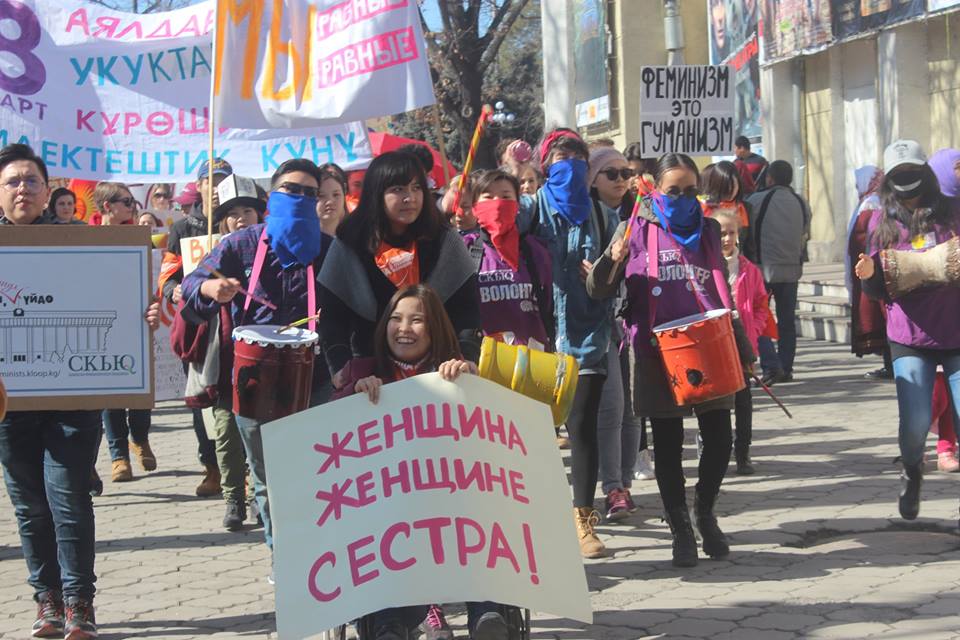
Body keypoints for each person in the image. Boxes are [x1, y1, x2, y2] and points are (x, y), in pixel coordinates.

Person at [0, 142, 160, 640]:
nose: (22, 188)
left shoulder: (85, 242)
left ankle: (79, 604)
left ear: (47, 191)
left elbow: (119, 302)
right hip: (8, 404)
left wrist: (144, 317)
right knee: (29, 507)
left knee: (68, 498)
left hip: (74, 398)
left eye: (31, 180)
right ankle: (45, 601)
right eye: (12, 181)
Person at [587, 153, 754, 568]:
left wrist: (744, 348)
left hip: (710, 345)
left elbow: (722, 292)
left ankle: (705, 512)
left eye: (690, 190)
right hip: (656, 350)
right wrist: (615, 259)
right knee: (667, 443)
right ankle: (680, 526)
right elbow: (598, 288)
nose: (682, 198)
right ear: (654, 189)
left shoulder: (710, 231)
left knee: (719, 437)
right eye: (673, 190)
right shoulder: (633, 229)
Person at [336, 285, 520, 640]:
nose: (404, 328)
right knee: (377, 535)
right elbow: (334, 439)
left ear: (435, 328)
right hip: (387, 512)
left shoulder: (456, 371)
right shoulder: (363, 372)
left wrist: (472, 383)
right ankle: (388, 623)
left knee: (473, 521)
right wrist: (354, 396)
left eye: (416, 320)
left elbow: (496, 435)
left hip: (453, 506)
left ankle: (486, 613)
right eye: (396, 319)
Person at [182, 159, 333, 568]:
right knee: (269, 480)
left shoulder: (330, 248)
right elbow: (191, 287)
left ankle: (322, 558)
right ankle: (286, 563)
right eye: (290, 189)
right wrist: (212, 287)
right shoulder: (239, 245)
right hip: (253, 382)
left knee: (319, 477)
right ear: (271, 196)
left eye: (308, 193)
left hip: (318, 380)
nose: (299, 198)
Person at [855, 139, 960, 523]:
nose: (909, 183)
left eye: (914, 174)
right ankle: (912, 471)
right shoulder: (882, 225)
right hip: (910, 335)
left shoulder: (953, 214)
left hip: (956, 329)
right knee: (914, 422)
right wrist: (869, 278)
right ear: (889, 181)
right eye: (901, 176)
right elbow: (875, 285)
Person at [319, 151, 482, 394]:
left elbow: (467, 311)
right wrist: (342, 370)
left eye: (416, 187)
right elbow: (332, 320)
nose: (410, 198)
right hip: (369, 381)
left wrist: (466, 356)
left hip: (439, 375)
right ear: (376, 194)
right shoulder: (349, 244)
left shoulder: (444, 240)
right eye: (397, 189)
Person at [534, 128, 619, 558]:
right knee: (532, 436)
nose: (570, 167)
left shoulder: (605, 217)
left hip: (587, 339)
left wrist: (610, 269)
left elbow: (625, 271)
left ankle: (583, 518)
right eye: (560, 159)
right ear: (545, 166)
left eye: (577, 160)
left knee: (581, 427)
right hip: (535, 342)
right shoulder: (529, 211)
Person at [194, 176, 267, 531]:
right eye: (233, 213)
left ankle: (257, 495)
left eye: (248, 210)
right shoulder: (213, 250)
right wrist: (202, 289)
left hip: (265, 361)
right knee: (225, 433)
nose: (241, 218)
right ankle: (233, 498)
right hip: (224, 361)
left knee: (259, 434)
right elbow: (184, 285)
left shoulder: (274, 249)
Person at [161, 158, 233, 498]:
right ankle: (212, 466)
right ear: (199, 185)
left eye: (223, 180)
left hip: (234, 321)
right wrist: (172, 289)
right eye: (211, 181)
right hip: (197, 324)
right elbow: (168, 273)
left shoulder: (239, 219)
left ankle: (239, 465)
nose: (216, 187)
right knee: (200, 396)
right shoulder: (183, 228)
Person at [586, 146, 642, 522]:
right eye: (612, 173)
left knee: (634, 408)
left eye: (625, 172)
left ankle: (625, 481)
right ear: (593, 179)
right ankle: (612, 487)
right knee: (611, 406)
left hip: (635, 322)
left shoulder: (643, 212)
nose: (621, 180)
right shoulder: (584, 219)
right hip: (598, 325)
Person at [462, 169, 553, 350]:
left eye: (505, 196)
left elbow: (549, 304)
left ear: (517, 205)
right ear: (474, 207)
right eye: (488, 197)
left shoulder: (534, 251)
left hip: (533, 362)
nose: (497, 204)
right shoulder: (465, 249)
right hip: (482, 363)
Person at [714, 208, 775, 475]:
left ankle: (743, 451)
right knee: (716, 403)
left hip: (742, 344)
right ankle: (714, 446)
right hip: (715, 344)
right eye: (721, 233)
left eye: (731, 233)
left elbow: (762, 304)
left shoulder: (749, 270)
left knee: (743, 401)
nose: (727, 239)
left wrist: (754, 327)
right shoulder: (706, 266)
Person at [746, 160, 810, 385]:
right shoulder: (801, 202)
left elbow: (748, 233)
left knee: (760, 317)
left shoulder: (755, 200)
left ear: (769, 178)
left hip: (763, 269)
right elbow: (805, 232)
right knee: (786, 321)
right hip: (792, 269)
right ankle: (786, 366)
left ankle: (772, 365)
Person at [846, 166, 891, 380]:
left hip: (873, 270)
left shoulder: (871, 204)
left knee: (882, 317)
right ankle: (890, 364)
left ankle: (891, 365)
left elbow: (861, 239)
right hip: (871, 270)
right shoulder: (873, 201)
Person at [700, 161, 754, 259]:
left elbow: (750, 244)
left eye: (734, 186)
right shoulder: (702, 206)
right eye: (725, 187)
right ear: (716, 185)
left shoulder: (745, 208)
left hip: (737, 264)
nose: (730, 190)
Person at [316, 163, 348, 236]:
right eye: (321, 196)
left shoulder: (358, 236)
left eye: (336, 195)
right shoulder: (304, 239)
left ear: (345, 191)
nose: (330, 202)